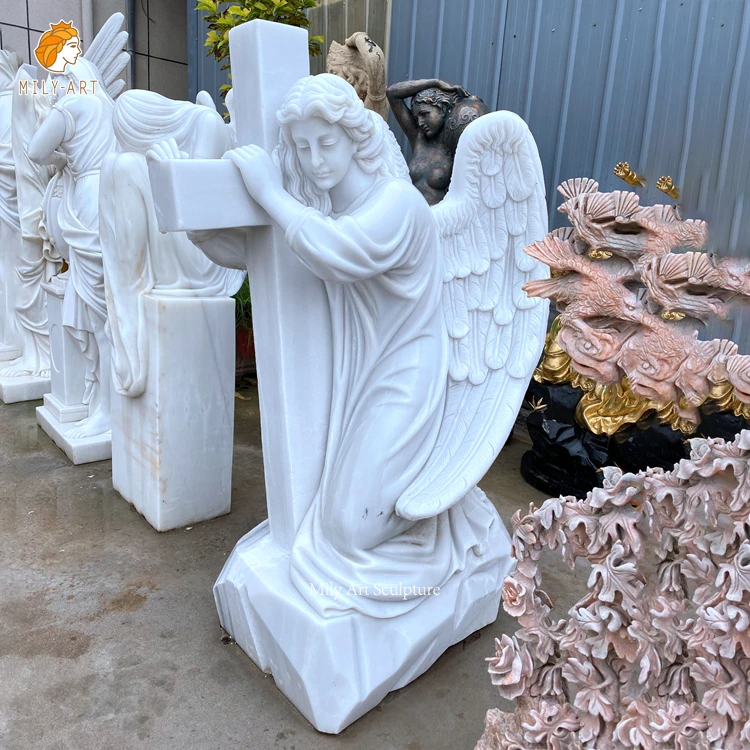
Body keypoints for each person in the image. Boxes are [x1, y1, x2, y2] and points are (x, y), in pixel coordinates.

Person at [187, 74, 493, 618]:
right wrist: (202, 227)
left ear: (356, 137)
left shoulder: (398, 204)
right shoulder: (326, 211)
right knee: (338, 522)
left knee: (349, 531)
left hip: (404, 375)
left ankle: (445, 517)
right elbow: (283, 257)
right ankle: (405, 503)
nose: (315, 160)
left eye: (326, 143)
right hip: (355, 375)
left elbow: (335, 250)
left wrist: (270, 192)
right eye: (302, 147)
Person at [387, 78, 488, 205]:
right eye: (416, 118)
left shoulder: (457, 145)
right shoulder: (418, 137)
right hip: (412, 213)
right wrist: (436, 82)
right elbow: (392, 93)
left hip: (440, 216)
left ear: (442, 110)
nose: (420, 122)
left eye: (424, 114)